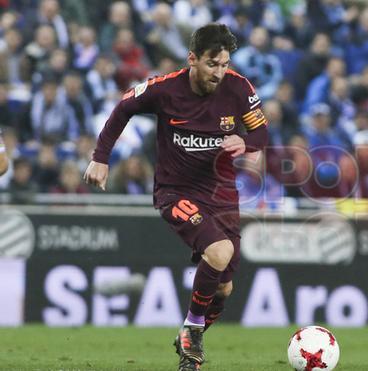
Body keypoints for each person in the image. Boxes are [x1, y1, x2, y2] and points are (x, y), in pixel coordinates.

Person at [83, 24, 268, 371]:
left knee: (224, 290)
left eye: (225, 64)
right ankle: (193, 331)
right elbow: (124, 107)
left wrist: (248, 143)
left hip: (222, 194)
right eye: (212, 64)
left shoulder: (239, 88)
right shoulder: (165, 89)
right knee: (219, 250)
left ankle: (188, 340)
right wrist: (101, 157)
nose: (219, 72)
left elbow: (261, 130)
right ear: (193, 59)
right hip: (175, 191)